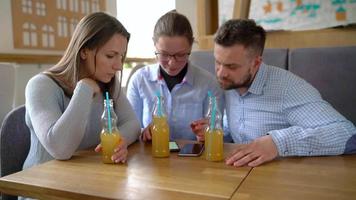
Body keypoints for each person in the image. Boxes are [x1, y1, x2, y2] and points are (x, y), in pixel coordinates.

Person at [192, 19, 356, 167]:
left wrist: (277, 143)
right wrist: (218, 130)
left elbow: (347, 134)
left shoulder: (288, 89)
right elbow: (245, 126)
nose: (221, 73)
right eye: (218, 62)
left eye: (231, 66)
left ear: (256, 63)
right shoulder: (230, 84)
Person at [23, 12, 140, 169]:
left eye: (121, 56)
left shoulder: (109, 82)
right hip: (41, 187)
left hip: (86, 179)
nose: (118, 66)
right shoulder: (40, 85)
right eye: (111, 56)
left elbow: (132, 124)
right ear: (84, 51)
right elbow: (60, 149)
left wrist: (120, 142)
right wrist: (84, 88)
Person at [126, 11, 222, 141]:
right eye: (164, 54)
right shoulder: (139, 80)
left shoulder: (208, 83)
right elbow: (130, 129)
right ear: (154, 45)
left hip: (193, 158)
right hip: (150, 156)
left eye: (181, 55)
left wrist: (209, 133)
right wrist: (144, 132)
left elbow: (219, 130)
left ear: (191, 47)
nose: (172, 63)